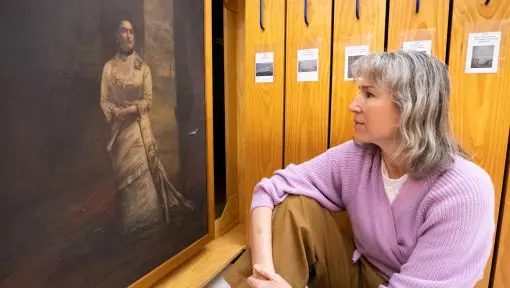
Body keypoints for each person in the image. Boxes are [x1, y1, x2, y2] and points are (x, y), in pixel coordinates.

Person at [222, 50, 495, 287]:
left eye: (369, 94)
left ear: (410, 108)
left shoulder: (464, 190)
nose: (353, 105)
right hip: (358, 272)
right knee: (294, 207)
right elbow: (269, 190)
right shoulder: (357, 158)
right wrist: (267, 274)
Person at [100, 19, 193, 235]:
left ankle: (149, 220)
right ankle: (131, 224)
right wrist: (114, 112)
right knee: (125, 176)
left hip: (139, 128)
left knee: (144, 172)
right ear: (117, 35)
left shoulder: (143, 68)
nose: (128, 35)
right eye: (123, 31)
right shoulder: (109, 68)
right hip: (119, 132)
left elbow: (148, 101)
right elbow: (104, 100)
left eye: (131, 31)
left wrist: (129, 110)